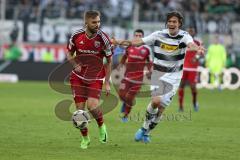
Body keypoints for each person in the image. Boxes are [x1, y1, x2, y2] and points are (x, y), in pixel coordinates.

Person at [112, 11, 205, 143]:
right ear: (167, 23)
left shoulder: (184, 36)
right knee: (156, 101)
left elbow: (191, 45)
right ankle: (144, 127)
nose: (172, 24)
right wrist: (119, 41)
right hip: (159, 73)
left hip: (174, 77)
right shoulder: (158, 35)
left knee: (161, 109)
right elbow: (138, 42)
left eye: (175, 22)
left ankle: (146, 131)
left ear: (179, 24)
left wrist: (197, 49)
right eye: (170, 21)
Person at [66, 10, 113, 149]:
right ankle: (85, 138)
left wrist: (108, 82)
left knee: (92, 107)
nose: (97, 24)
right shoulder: (76, 35)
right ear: (86, 22)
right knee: (79, 112)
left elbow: (109, 62)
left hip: (96, 76)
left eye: (99, 21)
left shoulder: (103, 39)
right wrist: (75, 65)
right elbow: (69, 53)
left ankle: (101, 126)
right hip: (78, 77)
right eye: (94, 22)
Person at [117, 29, 152, 122]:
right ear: (133, 36)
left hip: (138, 79)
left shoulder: (147, 49)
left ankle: (125, 115)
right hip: (127, 77)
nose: (137, 37)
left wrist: (150, 70)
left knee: (130, 98)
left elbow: (150, 62)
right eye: (136, 35)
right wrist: (120, 65)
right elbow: (124, 57)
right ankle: (125, 104)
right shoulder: (129, 47)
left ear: (143, 37)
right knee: (121, 95)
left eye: (140, 36)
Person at [178, 26, 203, 112]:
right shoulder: (183, 42)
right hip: (183, 68)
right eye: (189, 31)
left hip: (193, 68)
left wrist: (196, 57)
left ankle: (195, 102)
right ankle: (181, 107)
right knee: (181, 86)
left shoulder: (197, 42)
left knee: (193, 87)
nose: (190, 33)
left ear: (194, 33)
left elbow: (201, 52)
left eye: (192, 31)